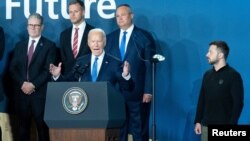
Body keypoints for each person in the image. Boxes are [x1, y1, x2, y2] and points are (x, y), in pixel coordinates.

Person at [105, 4, 156, 141]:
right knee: (119, 130)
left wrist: (148, 90)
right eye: (117, 16)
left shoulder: (144, 36)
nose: (120, 18)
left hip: (138, 92)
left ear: (131, 16)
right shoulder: (109, 38)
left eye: (123, 15)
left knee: (139, 130)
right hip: (115, 93)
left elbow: (149, 65)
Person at [9, 13, 59, 141]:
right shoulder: (19, 46)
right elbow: (13, 69)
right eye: (31, 25)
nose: (33, 28)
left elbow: (48, 70)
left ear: (42, 27)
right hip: (21, 96)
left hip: (39, 96)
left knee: (42, 131)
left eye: (36, 25)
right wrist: (22, 84)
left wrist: (33, 85)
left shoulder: (50, 46)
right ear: (27, 27)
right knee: (22, 131)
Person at [50, 28, 133, 92]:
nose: (96, 45)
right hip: (84, 106)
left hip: (106, 107)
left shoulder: (114, 63)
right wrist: (57, 76)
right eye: (93, 41)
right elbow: (68, 82)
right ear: (89, 43)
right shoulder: (81, 61)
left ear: (104, 42)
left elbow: (127, 88)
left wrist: (126, 75)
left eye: (99, 41)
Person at [194, 41, 244, 141]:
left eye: (210, 52)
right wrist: (198, 121)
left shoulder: (233, 76)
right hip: (206, 127)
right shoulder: (207, 75)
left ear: (221, 55)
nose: (206, 55)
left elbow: (238, 104)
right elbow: (202, 99)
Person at [60, 0, 94, 75]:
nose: (72, 15)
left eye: (76, 11)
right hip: (68, 81)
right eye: (70, 12)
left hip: (88, 79)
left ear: (83, 12)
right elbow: (63, 59)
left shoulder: (93, 32)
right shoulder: (64, 35)